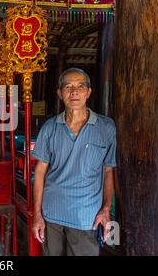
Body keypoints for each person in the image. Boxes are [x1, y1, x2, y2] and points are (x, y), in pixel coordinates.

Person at [31, 68, 117, 256]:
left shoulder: (106, 127)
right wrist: (37, 214)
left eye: (80, 86)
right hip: (51, 213)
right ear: (60, 93)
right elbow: (40, 171)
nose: (74, 91)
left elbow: (109, 170)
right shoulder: (50, 128)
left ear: (88, 92)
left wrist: (106, 209)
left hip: (86, 216)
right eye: (68, 87)